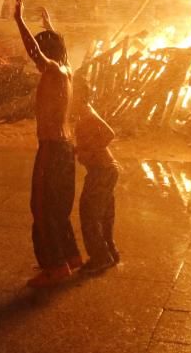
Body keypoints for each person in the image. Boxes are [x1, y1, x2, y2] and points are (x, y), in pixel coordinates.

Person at [13, 0, 82, 287]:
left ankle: (54, 267)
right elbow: (55, 50)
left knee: (40, 207)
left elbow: (36, 52)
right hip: (66, 149)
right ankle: (70, 257)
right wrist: (49, 26)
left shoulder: (53, 70)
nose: (36, 58)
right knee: (59, 208)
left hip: (52, 149)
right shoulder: (66, 72)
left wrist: (19, 20)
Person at [74, 88, 121, 274]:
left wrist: (88, 150)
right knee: (104, 214)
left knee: (89, 213)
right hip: (106, 169)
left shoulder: (86, 113)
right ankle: (110, 252)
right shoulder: (84, 113)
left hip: (101, 171)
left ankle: (100, 257)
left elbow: (109, 134)